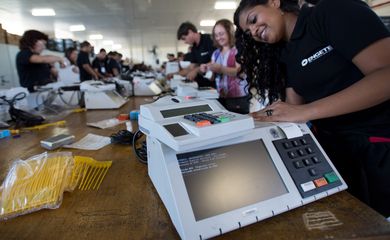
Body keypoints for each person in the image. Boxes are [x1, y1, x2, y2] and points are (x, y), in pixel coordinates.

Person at [234, 0, 390, 217]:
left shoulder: (331, 13)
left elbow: (386, 76)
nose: (254, 31)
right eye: (249, 32)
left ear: (274, 2)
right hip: (336, 154)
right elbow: (293, 108)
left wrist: (308, 111)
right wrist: (256, 119)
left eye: (253, 20)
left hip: (377, 146)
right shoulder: (286, 53)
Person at [200, 19, 249, 113]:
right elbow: (212, 78)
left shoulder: (238, 50)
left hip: (238, 97)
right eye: (216, 35)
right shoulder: (216, 53)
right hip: (221, 96)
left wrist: (221, 69)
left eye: (221, 34)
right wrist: (207, 69)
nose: (219, 38)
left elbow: (241, 72)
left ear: (230, 32)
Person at [176, 21, 216, 87]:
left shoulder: (208, 40)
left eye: (184, 38)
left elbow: (215, 61)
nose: (185, 42)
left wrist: (196, 70)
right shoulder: (194, 48)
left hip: (213, 85)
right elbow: (192, 66)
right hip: (201, 86)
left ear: (190, 32)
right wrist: (176, 74)